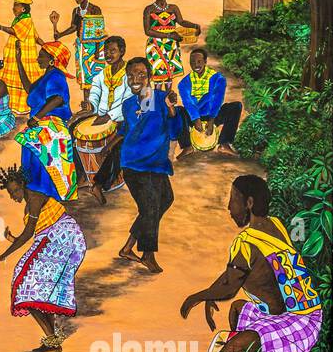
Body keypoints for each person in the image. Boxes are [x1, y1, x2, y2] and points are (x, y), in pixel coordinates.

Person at [178, 175, 322, 352]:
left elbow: (229, 286)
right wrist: (212, 294)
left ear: (249, 203)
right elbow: (230, 277)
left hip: (295, 321)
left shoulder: (245, 242)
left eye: (233, 200)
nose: (228, 208)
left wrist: (196, 297)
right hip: (308, 314)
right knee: (237, 309)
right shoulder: (275, 225)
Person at [0, 165, 88, 352]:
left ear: (23, 184)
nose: (13, 196)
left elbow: (29, 233)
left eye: (15, 190)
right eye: (10, 193)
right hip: (53, 238)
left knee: (23, 283)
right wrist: (11, 239)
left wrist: (4, 255)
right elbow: (34, 233)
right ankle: (52, 340)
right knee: (36, 287)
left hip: (63, 237)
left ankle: (51, 340)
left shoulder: (34, 198)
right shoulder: (29, 203)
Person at [112, 57, 183, 273]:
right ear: (126, 78)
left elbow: (174, 131)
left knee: (165, 200)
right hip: (136, 164)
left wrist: (171, 110)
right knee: (150, 208)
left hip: (156, 164)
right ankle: (148, 255)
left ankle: (127, 247)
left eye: (141, 75)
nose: (136, 79)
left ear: (150, 78)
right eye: (132, 75)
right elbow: (135, 129)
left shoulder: (162, 98)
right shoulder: (128, 105)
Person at [13, 37, 78, 203]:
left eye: (41, 56)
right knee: (28, 145)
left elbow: (57, 99)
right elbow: (29, 88)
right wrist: (18, 61)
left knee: (36, 147)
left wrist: (36, 117)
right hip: (41, 122)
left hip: (52, 124)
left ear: (52, 60)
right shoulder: (46, 76)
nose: (37, 58)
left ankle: (45, 194)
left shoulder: (56, 76)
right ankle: (36, 193)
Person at [71, 35, 132, 203]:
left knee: (117, 143)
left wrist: (109, 117)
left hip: (122, 118)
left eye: (112, 51)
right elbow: (95, 97)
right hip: (101, 117)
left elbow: (128, 102)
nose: (108, 54)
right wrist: (89, 107)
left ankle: (98, 184)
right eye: (106, 51)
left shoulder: (130, 73)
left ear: (122, 51)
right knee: (72, 128)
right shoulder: (100, 76)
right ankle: (82, 174)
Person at [0, 0, 43, 115]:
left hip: (22, 57)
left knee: (22, 80)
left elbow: (16, 32)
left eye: (16, 5)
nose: (13, 8)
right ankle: (12, 106)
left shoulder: (26, 20)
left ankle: (22, 108)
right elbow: (36, 36)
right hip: (15, 56)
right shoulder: (20, 19)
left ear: (23, 8)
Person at [175, 48, 243, 158]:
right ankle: (187, 146)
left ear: (205, 62)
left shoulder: (217, 78)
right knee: (178, 111)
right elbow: (188, 103)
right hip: (195, 117)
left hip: (213, 115)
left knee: (236, 106)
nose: (196, 65)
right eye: (192, 62)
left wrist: (211, 120)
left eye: (199, 61)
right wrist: (196, 119)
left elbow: (217, 99)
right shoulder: (184, 82)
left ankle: (224, 144)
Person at [143, 0, 199, 88]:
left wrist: (195, 26)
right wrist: (169, 35)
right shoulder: (149, 9)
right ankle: (159, 100)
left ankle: (168, 101)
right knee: (158, 75)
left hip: (171, 46)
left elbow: (181, 22)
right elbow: (148, 31)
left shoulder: (173, 8)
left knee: (169, 76)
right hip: (155, 45)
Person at [50, 0, 105, 96]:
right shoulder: (76, 11)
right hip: (81, 47)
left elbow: (98, 32)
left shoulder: (95, 9)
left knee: (95, 74)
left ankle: (95, 104)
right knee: (84, 75)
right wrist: (60, 34)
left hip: (94, 47)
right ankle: (87, 102)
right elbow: (74, 27)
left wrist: (96, 51)